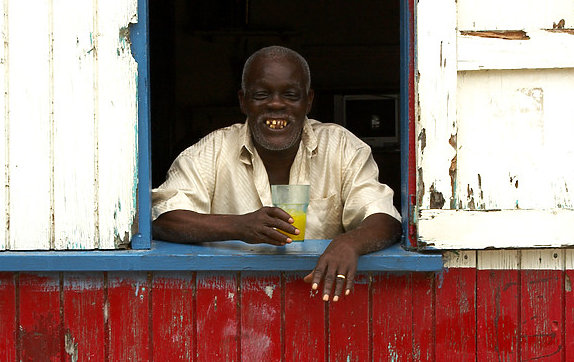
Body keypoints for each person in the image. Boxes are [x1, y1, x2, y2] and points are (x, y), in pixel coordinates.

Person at [152, 46, 402, 302]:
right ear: (243, 100)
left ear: (309, 100)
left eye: (291, 95)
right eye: (261, 94)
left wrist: (349, 244)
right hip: (227, 304)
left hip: (320, 307)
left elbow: (385, 219)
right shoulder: (210, 151)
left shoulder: (342, 147)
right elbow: (164, 219)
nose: (276, 104)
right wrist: (239, 225)